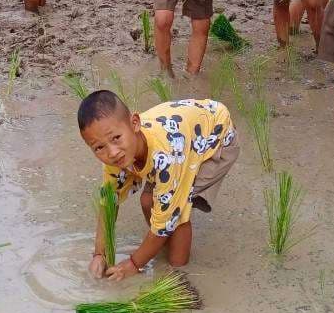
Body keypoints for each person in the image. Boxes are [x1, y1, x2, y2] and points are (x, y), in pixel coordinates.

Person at [78, 91, 238, 280]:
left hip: (215, 136)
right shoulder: (116, 156)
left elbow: (170, 217)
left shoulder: (167, 157)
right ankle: (164, 244)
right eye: (99, 147)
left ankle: (178, 275)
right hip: (182, 131)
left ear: (135, 123)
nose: (112, 152)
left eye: (116, 138)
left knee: (177, 215)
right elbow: (109, 204)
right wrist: (99, 254)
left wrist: (133, 264)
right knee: (148, 202)